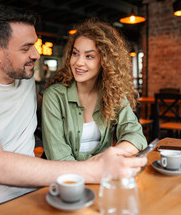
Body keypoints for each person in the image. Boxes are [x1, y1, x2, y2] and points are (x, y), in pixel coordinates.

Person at [0, 4, 147, 214]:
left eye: (35, 45)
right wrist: (97, 169)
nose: (36, 54)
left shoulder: (26, 83)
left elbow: (128, 129)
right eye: (26, 48)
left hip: (31, 198)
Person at [42, 19, 147, 161]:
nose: (79, 62)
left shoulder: (113, 93)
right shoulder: (55, 96)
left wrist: (110, 155)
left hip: (101, 176)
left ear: (105, 61)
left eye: (89, 56)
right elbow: (59, 157)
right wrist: (98, 165)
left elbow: (136, 136)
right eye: (75, 53)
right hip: (67, 180)